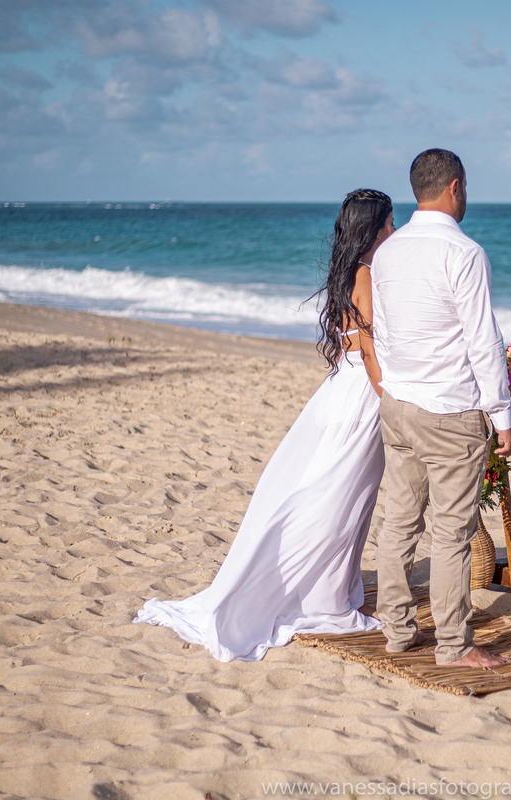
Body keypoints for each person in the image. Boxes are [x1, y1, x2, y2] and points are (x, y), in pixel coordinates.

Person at [133, 189, 396, 661]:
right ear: (372, 230)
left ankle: (326, 589)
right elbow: (374, 353)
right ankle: (323, 597)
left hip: (339, 390)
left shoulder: (344, 274)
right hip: (361, 396)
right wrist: (391, 398)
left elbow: (350, 345)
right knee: (340, 498)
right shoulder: (367, 276)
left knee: (330, 492)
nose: (394, 233)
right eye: (390, 224)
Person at [371, 148, 511, 669]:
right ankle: (454, 645)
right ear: (455, 187)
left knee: (400, 522)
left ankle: (396, 630)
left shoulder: (388, 252)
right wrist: (502, 415)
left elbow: (383, 332)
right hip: (450, 411)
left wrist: (395, 384)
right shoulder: (465, 252)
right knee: (452, 533)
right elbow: (484, 340)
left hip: (399, 403)